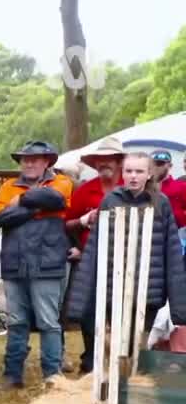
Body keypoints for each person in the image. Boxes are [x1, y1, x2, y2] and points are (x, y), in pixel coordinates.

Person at [65, 152, 186, 357]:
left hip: (150, 290)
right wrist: (78, 305)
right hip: (115, 288)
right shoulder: (111, 201)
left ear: (149, 174)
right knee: (116, 344)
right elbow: (94, 248)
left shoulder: (161, 203)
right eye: (129, 171)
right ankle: (117, 383)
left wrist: (179, 309)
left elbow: (172, 254)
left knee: (137, 344)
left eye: (139, 171)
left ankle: (132, 381)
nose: (133, 176)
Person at [0, 140, 74, 389]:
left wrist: (21, 200)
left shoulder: (62, 182)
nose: (28, 163)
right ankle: (12, 374)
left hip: (47, 263)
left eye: (34, 159)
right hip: (14, 263)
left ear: (47, 161)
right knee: (16, 321)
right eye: (24, 159)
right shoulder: (7, 186)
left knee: (49, 321)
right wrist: (36, 207)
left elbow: (56, 199)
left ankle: (52, 375)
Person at [64, 136, 124, 373]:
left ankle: (120, 364)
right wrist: (82, 223)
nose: (104, 163)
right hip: (89, 261)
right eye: (100, 159)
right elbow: (65, 223)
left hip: (122, 261)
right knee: (88, 313)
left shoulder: (129, 189)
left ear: (119, 161)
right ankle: (90, 362)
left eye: (109, 159)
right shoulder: (85, 190)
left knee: (119, 313)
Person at [150, 150, 186, 230]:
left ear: (170, 165)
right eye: (152, 164)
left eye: (160, 163)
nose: (156, 167)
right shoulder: (144, 187)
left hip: (175, 234)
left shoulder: (181, 187)